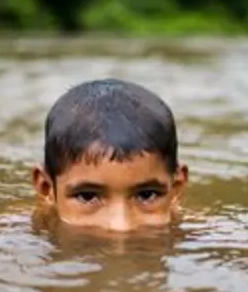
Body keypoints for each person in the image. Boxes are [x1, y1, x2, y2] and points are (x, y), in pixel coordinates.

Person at [32, 78, 189, 232]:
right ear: (46, 188)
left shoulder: (202, 236)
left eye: (147, 195)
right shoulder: (19, 237)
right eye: (87, 196)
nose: (121, 226)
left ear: (176, 187)